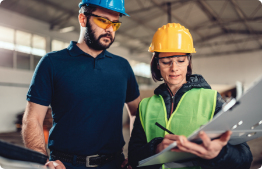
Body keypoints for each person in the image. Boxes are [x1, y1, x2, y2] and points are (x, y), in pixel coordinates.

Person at [22, 0, 140, 169]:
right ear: (83, 19)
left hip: (114, 164)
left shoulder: (122, 66)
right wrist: (42, 162)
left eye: (115, 24)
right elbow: (32, 118)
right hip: (66, 164)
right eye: (103, 21)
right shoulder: (52, 63)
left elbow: (136, 113)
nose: (109, 29)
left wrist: (135, 154)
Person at [128, 23, 253, 169]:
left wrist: (219, 154)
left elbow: (244, 158)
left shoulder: (212, 99)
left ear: (188, 61)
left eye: (180, 61)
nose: (174, 68)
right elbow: (133, 157)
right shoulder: (145, 106)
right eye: (166, 62)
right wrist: (157, 148)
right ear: (156, 64)